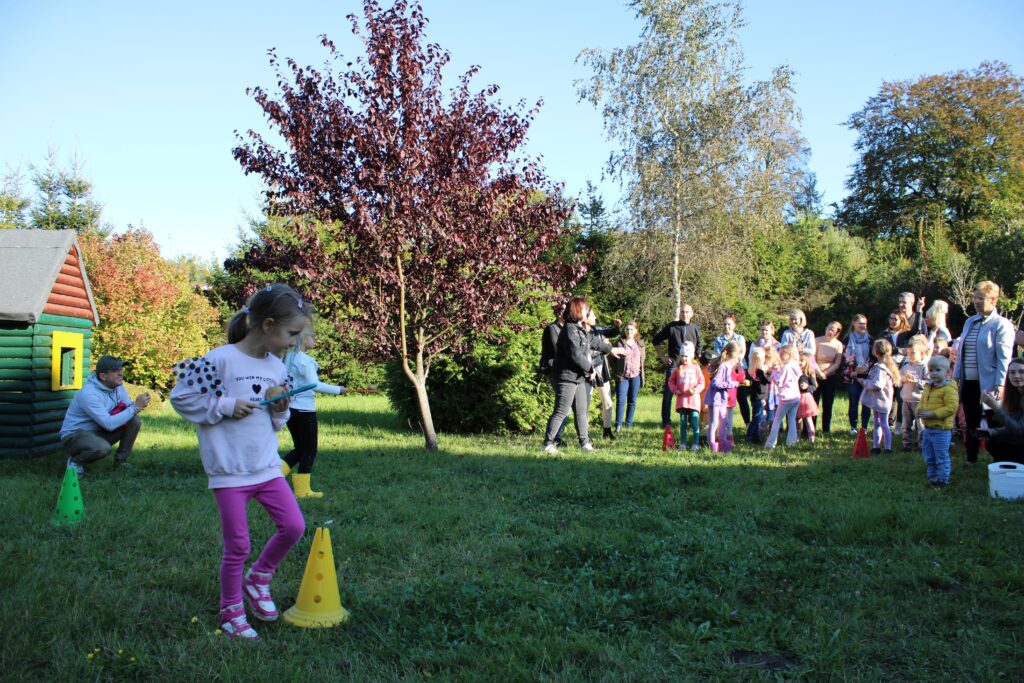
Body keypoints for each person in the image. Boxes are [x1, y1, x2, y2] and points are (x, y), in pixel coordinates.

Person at [170, 283, 309, 640]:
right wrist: (225, 406)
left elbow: (277, 420)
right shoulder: (220, 360)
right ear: (267, 324)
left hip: (265, 467)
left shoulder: (277, 369)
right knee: (238, 546)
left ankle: (258, 579)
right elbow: (182, 397)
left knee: (293, 527)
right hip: (230, 472)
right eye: (291, 333)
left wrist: (281, 409)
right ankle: (230, 610)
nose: (293, 342)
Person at [541, 298, 624, 454]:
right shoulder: (569, 329)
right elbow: (576, 355)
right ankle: (547, 444)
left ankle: (585, 443)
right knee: (561, 410)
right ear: (578, 311)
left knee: (581, 411)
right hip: (567, 377)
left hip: (578, 377)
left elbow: (594, 342)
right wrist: (590, 369)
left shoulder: (580, 328)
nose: (588, 312)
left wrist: (610, 349)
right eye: (586, 309)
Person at [280, 325, 348, 498]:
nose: (315, 339)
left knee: (300, 448)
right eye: (312, 335)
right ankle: (302, 491)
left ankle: (275, 478)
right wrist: (337, 389)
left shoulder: (288, 358)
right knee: (309, 450)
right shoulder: (305, 360)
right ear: (302, 339)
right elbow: (314, 384)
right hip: (304, 411)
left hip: (291, 411)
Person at [953, 281, 1016, 464]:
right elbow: (962, 352)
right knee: (970, 423)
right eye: (975, 298)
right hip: (969, 383)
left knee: (995, 423)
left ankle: (1000, 460)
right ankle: (971, 459)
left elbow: (1004, 357)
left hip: (990, 384)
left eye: (981, 298)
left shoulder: (1001, 324)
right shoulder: (969, 322)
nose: (977, 302)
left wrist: (1000, 384)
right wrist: (956, 378)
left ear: (993, 300)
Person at [59, 355, 151, 475]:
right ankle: (75, 462)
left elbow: (129, 406)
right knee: (103, 448)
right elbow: (109, 424)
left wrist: (139, 402)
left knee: (134, 420)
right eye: (115, 370)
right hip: (74, 436)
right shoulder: (89, 393)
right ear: (103, 376)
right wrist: (136, 407)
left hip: (98, 430)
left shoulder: (117, 386)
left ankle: (120, 462)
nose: (120, 373)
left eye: (121, 369)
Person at [653, 304, 702, 428]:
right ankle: (666, 422)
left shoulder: (695, 328)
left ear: (692, 313)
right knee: (668, 395)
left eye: (687, 312)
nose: (684, 314)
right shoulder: (672, 327)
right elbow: (655, 340)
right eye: (682, 312)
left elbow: (699, 347)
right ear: (680, 313)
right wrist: (662, 356)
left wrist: (696, 362)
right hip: (674, 366)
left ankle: (691, 422)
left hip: (690, 368)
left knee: (691, 394)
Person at [917, 355, 959, 486]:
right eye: (931, 370)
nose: (933, 373)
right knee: (929, 455)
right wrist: (919, 410)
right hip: (928, 428)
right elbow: (923, 402)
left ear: (947, 373)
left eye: (938, 370)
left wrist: (933, 414)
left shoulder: (949, 389)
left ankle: (943, 479)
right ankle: (932, 476)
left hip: (941, 429)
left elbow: (951, 408)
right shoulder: (929, 387)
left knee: (941, 456)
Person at [860, 339, 902, 454]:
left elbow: (878, 384)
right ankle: (876, 446)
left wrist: (864, 382)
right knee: (877, 423)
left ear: (876, 352)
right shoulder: (887, 365)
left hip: (881, 399)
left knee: (883, 423)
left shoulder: (880, 368)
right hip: (880, 400)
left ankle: (888, 448)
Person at [584, 310, 621, 440]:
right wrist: (605, 348)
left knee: (607, 401)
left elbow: (610, 332)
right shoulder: (580, 332)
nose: (595, 316)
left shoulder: (597, 329)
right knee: (586, 403)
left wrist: (616, 327)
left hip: (600, 368)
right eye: (592, 314)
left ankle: (607, 431)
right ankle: (584, 434)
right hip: (586, 371)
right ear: (585, 317)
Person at [979, 357, 1024, 464]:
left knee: (1002, 443)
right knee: (993, 441)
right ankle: (1005, 473)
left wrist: (995, 407)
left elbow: (1019, 430)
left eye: (1021, 372)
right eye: (1012, 372)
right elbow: (1014, 425)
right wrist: (993, 431)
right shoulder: (1015, 394)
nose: (1016, 376)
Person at [704, 341, 742, 453]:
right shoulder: (723, 366)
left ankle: (723, 444)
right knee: (714, 423)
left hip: (722, 399)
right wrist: (732, 384)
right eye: (735, 358)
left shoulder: (726, 366)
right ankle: (713, 447)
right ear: (729, 355)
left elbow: (726, 380)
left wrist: (735, 382)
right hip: (715, 399)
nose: (736, 361)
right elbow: (716, 383)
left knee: (723, 422)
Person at [539, 304, 568, 447]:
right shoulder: (552, 328)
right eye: (560, 310)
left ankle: (557, 437)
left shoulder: (568, 328)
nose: (563, 312)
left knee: (564, 407)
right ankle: (553, 438)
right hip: (554, 369)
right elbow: (558, 350)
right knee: (562, 406)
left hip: (564, 369)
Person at [713, 313, 749, 428]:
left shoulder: (740, 338)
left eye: (729, 324)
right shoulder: (719, 339)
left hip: (739, 370)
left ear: (734, 325)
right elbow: (718, 355)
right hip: (725, 372)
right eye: (724, 324)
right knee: (726, 399)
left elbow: (741, 353)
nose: (726, 327)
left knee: (742, 398)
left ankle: (748, 424)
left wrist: (734, 362)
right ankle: (725, 426)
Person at [668, 342, 704, 451]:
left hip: (693, 401)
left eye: (686, 356)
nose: (684, 358)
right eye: (682, 356)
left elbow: (701, 382)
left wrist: (696, 390)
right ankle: (683, 444)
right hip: (682, 401)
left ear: (692, 356)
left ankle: (695, 444)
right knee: (683, 422)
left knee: (694, 422)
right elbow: (671, 382)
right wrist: (675, 390)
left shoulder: (696, 368)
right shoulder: (677, 369)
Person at [611, 321, 645, 432]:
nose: (629, 331)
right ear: (624, 330)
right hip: (623, 376)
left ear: (636, 331)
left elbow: (642, 359)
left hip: (636, 376)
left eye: (631, 329)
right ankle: (618, 425)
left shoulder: (640, 344)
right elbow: (611, 358)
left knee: (632, 400)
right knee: (621, 401)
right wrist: (617, 370)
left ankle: (629, 424)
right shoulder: (619, 343)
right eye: (627, 329)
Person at [765, 344, 801, 449]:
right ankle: (792, 442)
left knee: (777, 420)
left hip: (786, 398)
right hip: (795, 396)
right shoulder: (795, 364)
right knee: (791, 419)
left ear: (789, 355)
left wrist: (774, 374)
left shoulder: (786, 367)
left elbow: (780, 382)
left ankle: (770, 443)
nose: (779, 356)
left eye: (782, 354)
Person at [843, 314, 873, 435]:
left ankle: (864, 427)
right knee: (853, 401)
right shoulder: (847, 339)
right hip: (852, 375)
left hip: (867, 373)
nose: (862, 326)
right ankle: (853, 427)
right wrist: (854, 368)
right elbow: (844, 356)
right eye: (860, 323)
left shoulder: (870, 339)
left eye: (864, 323)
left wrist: (866, 367)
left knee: (866, 402)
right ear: (854, 323)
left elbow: (874, 355)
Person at [899, 336, 929, 452]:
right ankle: (906, 444)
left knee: (921, 424)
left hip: (918, 400)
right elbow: (899, 379)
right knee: (905, 424)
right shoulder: (906, 366)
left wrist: (916, 381)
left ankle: (922, 444)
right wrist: (903, 379)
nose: (910, 355)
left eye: (913, 353)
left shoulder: (923, 367)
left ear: (921, 354)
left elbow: (928, 383)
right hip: (906, 399)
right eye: (908, 353)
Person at [813, 321, 844, 434]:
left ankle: (826, 429)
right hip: (815, 374)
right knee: (814, 402)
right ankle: (811, 429)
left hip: (830, 376)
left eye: (832, 330)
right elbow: (812, 359)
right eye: (828, 328)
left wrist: (826, 373)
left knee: (828, 403)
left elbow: (837, 363)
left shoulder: (838, 344)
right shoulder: (817, 340)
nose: (829, 331)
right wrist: (818, 372)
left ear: (836, 333)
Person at [745, 347, 771, 443]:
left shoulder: (753, 370)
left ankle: (755, 437)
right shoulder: (759, 371)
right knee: (757, 417)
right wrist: (768, 371)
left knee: (757, 417)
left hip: (757, 396)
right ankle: (750, 435)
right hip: (758, 397)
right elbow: (767, 381)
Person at [796, 349, 819, 445]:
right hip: (796, 397)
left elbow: (815, 386)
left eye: (802, 361)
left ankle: (812, 439)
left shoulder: (809, 374)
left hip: (806, 399)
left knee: (808, 419)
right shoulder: (795, 373)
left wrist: (807, 387)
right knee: (797, 420)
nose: (800, 363)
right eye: (799, 360)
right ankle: (797, 438)